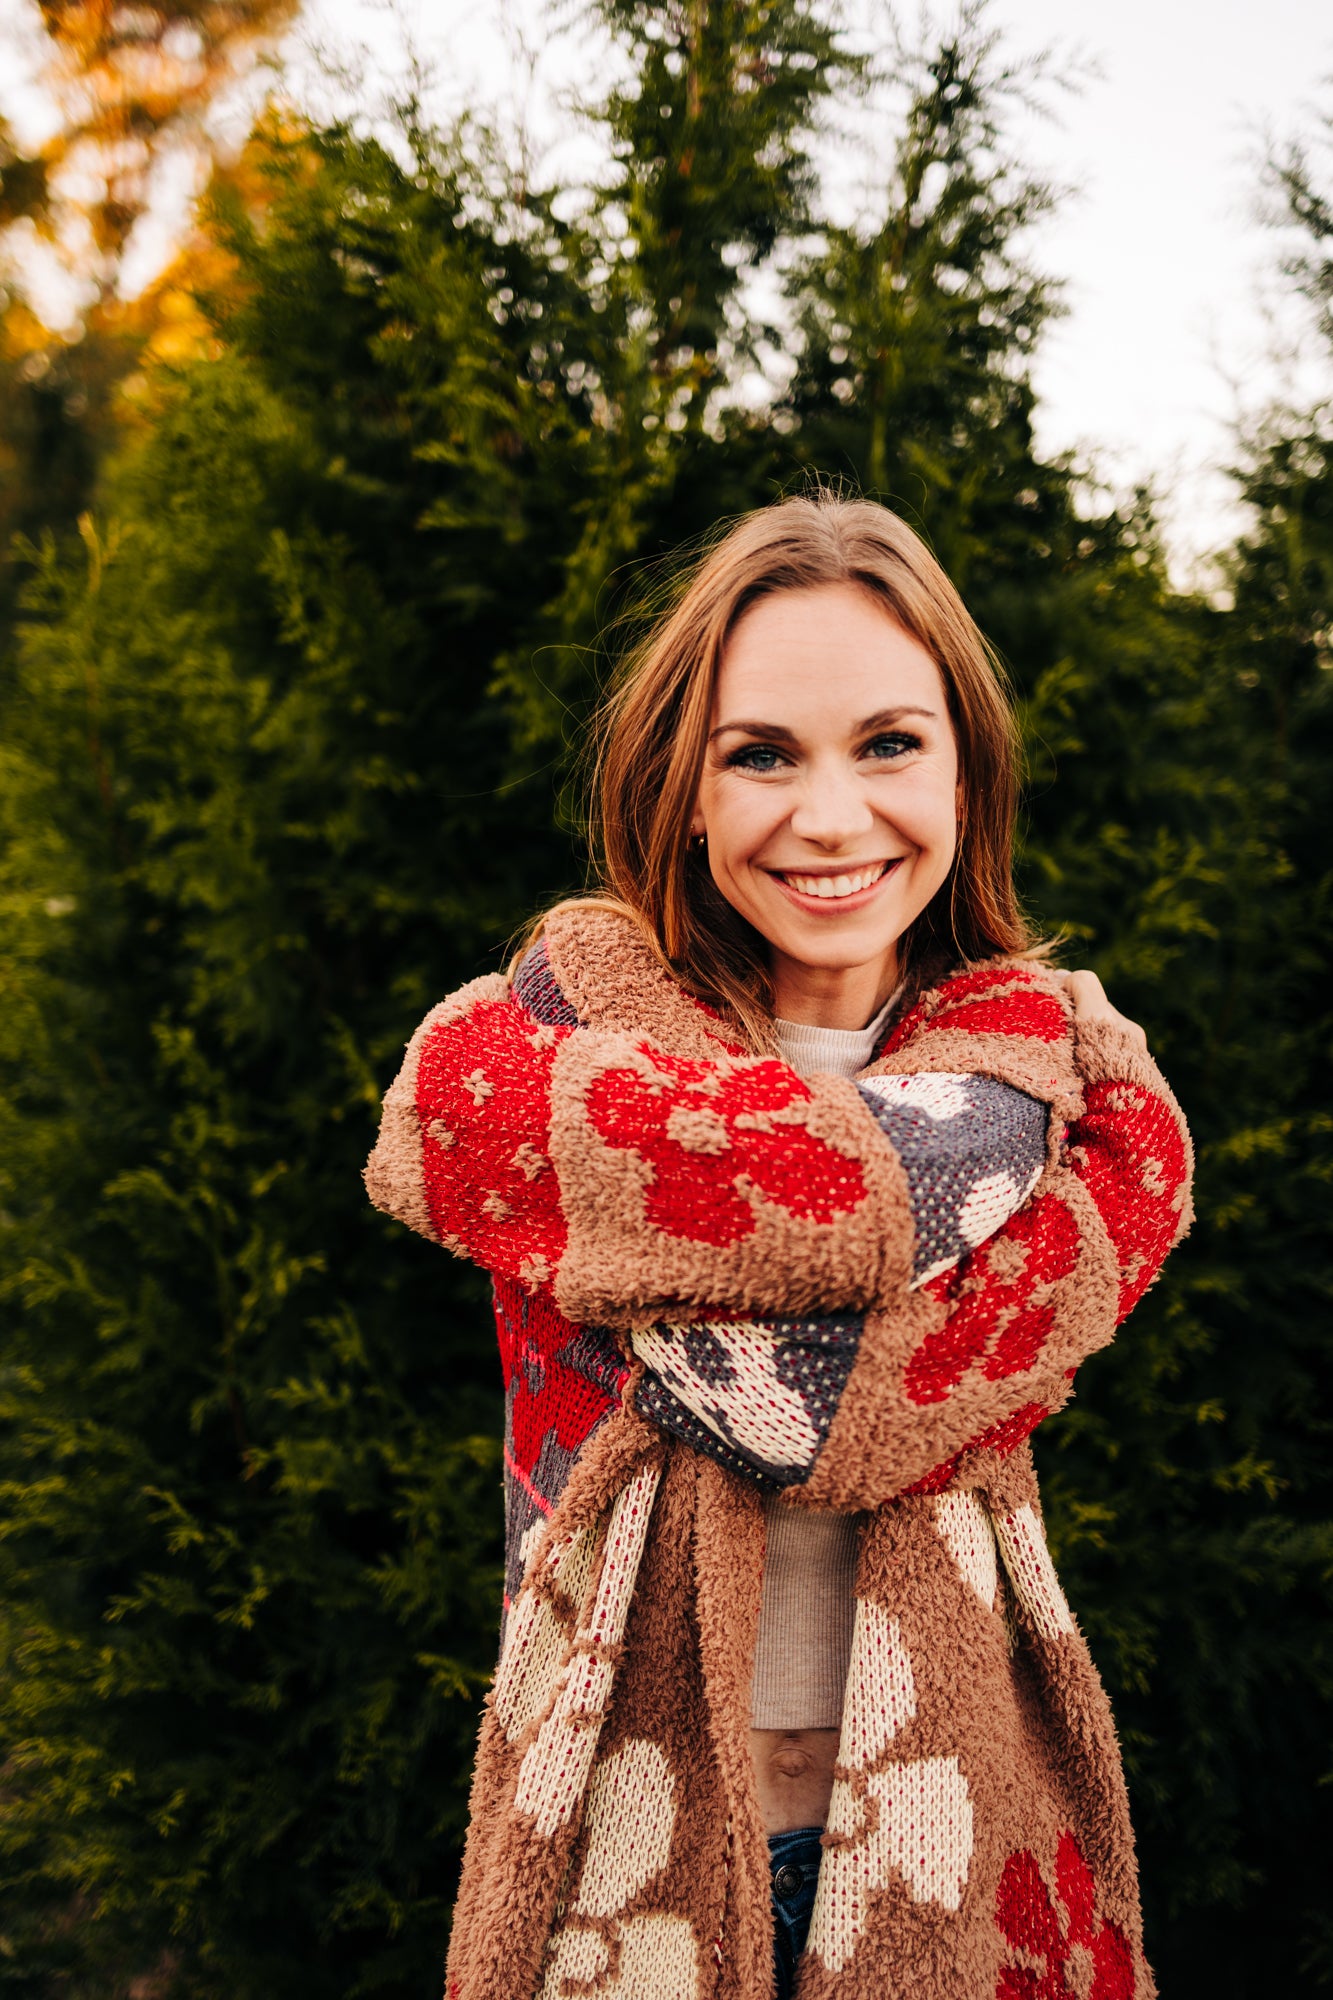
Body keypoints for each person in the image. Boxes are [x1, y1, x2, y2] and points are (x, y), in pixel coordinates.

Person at [365, 492, 1192, 2000]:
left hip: (954, 1819)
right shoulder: (532, 1073)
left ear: (963, 768)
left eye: (887, 743)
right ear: (682, 789)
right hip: (628, 1833)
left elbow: (867, 1388)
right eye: (760, 755)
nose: (828, 816)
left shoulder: (1083, 1112)